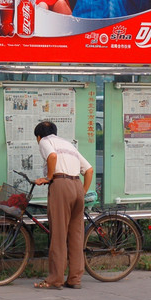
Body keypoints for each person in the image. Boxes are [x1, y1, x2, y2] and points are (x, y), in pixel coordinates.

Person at [33, 121, 93, 290]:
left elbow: (52, 156)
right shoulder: (68, 144)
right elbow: (89, 170)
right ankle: (75, 279)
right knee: (76, 236)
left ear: (38, 136)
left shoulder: (45, 141)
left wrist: (49, 177)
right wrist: (82, 191)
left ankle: (55, 279)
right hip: (76, 186)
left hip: (61, 185)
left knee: (59, 235)